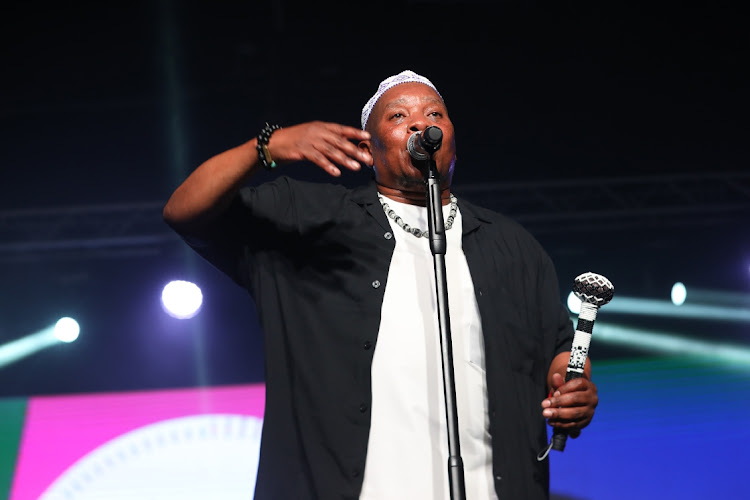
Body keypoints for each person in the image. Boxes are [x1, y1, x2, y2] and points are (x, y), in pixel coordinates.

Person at [163, 70, 598, 500]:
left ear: (452, 142)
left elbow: (558, 353)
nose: (419, 122)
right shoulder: (311, 220)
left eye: (434, 113)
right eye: (397, 116)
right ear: (368, 149)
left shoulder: (511, 245)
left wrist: (571, 389)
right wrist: (267, 147)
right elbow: (185, 209)